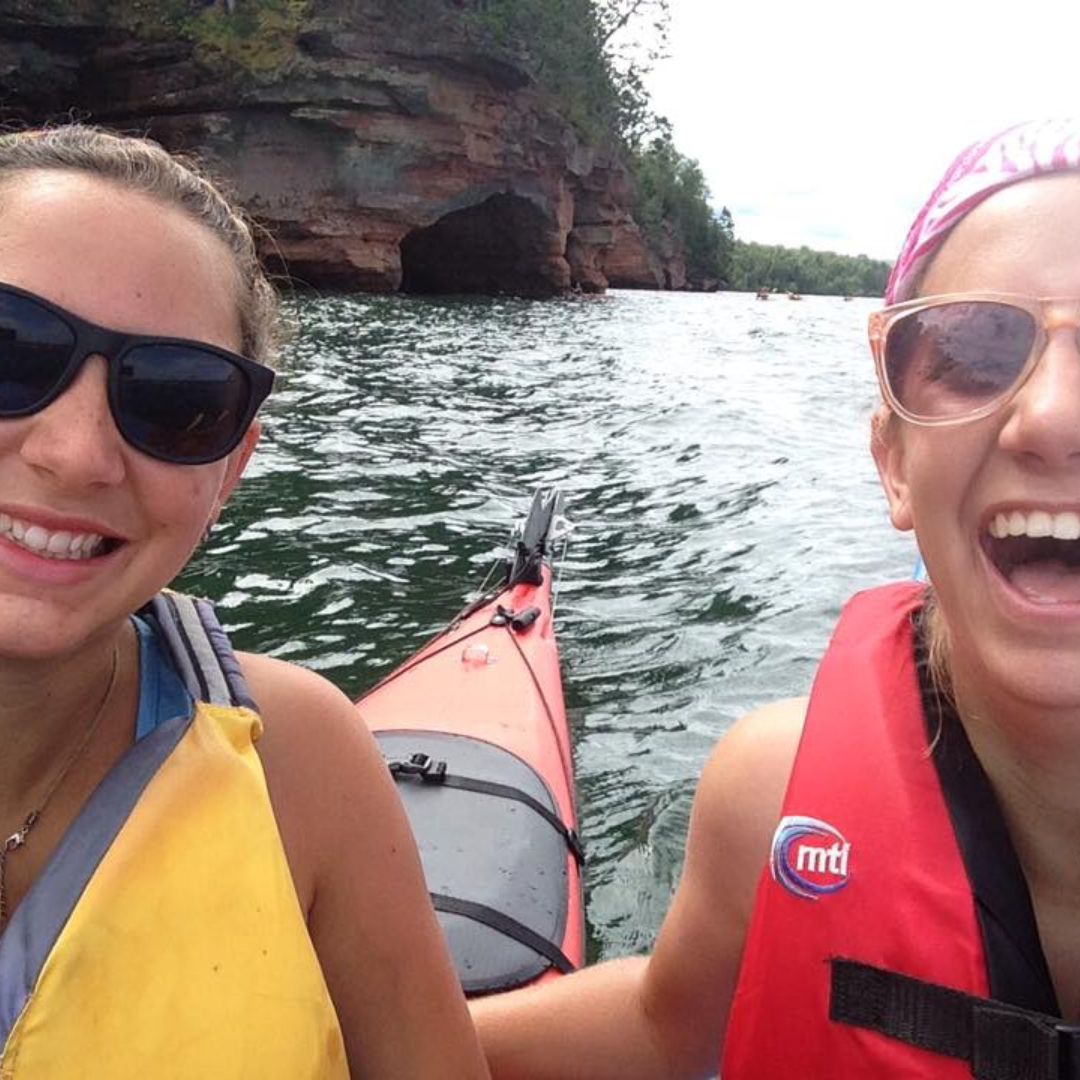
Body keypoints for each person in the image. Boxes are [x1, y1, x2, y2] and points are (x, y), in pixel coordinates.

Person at [473, 116, 1080, 1078]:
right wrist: (357, 1027)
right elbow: (667, 1027)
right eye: (969, 351)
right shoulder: (772, 795)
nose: (1053, 419)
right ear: (895, 468)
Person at [0, 124, 490, 1079]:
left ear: (231, 470)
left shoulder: (302, 762)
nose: (76, 453)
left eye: (179, 400)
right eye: (11, 351)